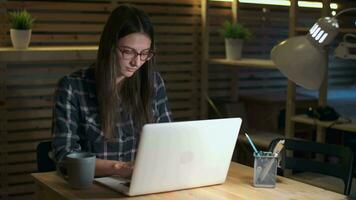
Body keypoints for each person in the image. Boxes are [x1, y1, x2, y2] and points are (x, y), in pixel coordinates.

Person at [52, 4, 172, 178]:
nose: (137, 62)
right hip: (93, 186)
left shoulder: (153, 82)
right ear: (110, 47)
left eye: (145, 53)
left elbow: (168, 141)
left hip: (142, 182)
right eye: (128, 52)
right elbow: (65, 156)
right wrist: (121, 168)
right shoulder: (72, 88)